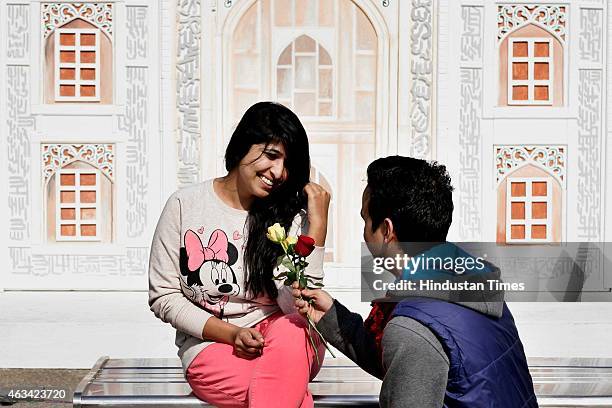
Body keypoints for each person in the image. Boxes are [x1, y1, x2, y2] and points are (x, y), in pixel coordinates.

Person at [293, 156, 538, 408]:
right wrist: (332, 316)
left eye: (366, 220)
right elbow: (413, 365)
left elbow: (415, 350)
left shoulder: (413, 328)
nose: (364, 232)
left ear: (387, 230)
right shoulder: (470, 286)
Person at [149, 102, 329, 408]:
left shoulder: (289, 215)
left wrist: (317, 228)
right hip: (213, 344)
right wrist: (232, 334)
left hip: (287, 338)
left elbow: (299, 307)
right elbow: (164, 296)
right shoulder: (185, 205)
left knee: (292, 330)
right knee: (285, 391)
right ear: (242, 145)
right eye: (272, 155)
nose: (278, 172)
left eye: (288, 164)